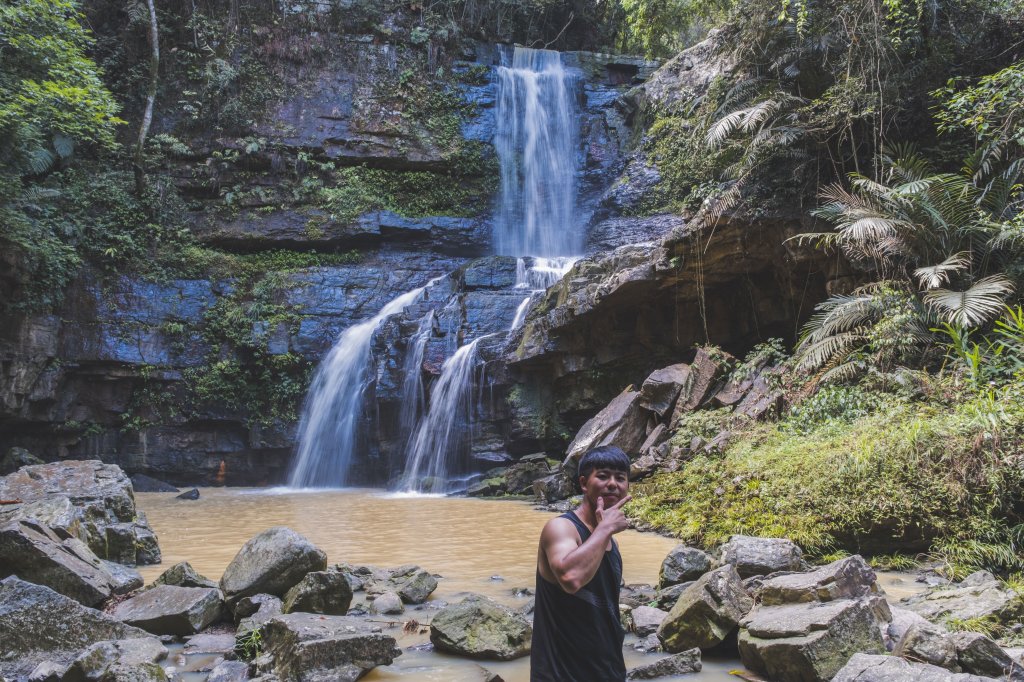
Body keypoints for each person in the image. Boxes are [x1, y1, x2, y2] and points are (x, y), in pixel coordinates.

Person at [530, 445, 632, 682]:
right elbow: (571, 578)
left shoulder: (608, 542)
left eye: (620, 478)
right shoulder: (561, 528)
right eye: (603, 476)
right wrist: (606, 528)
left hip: (606, 669)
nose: (613, 484)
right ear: (584, 483)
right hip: (560, 672)